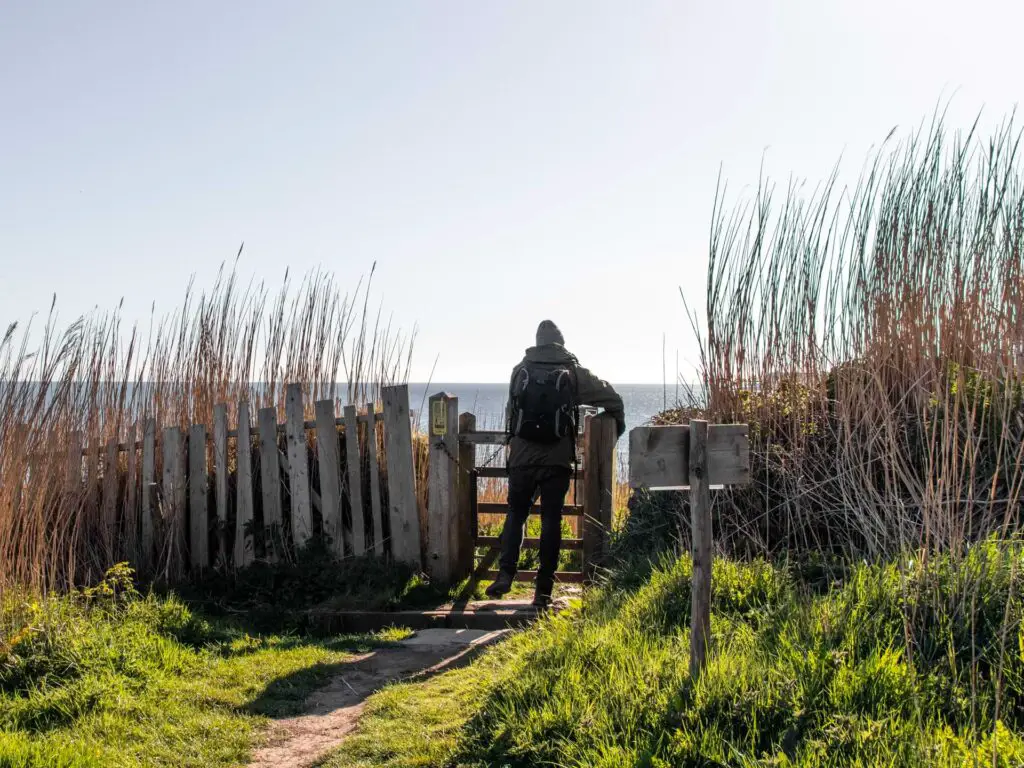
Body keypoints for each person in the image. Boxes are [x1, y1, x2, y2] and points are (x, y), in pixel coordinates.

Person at [485, 320, 625, 608]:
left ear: (537, 343)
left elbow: (512, 416)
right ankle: (543, 591)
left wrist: (515, 450)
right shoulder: (574, 372)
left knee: (515, 513)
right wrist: (615, 429)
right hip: (557, 460)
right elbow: (613, 399)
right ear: (560, 343)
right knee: (551, 521)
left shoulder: (519, 370)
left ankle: (505, 574)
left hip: (522, 458)